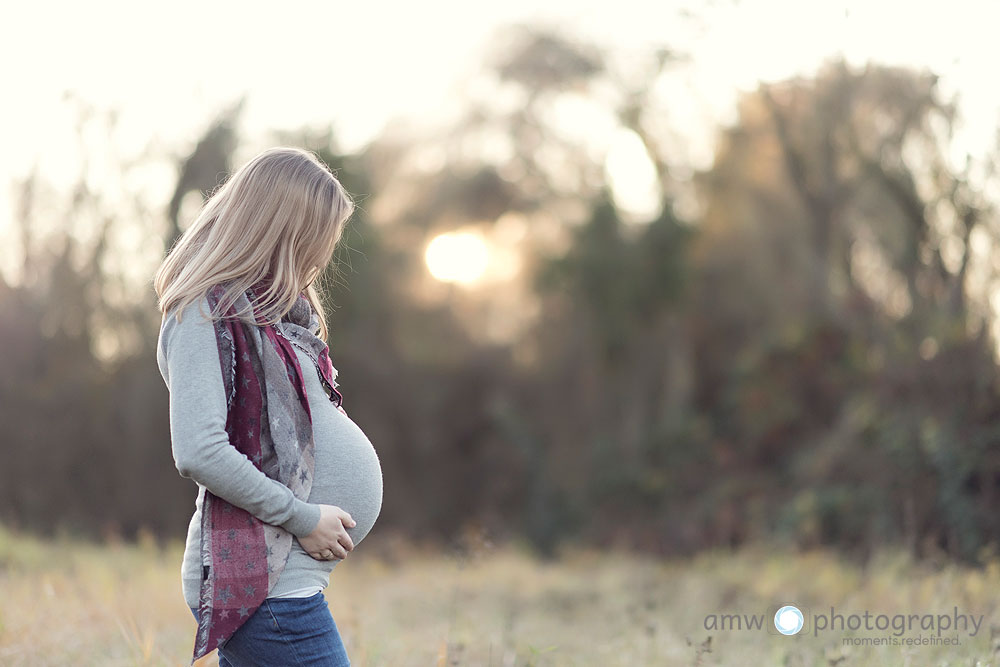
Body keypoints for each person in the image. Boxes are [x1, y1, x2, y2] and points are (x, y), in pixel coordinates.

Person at [153, 146, 383, 666]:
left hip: (283, 582)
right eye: (318, 238)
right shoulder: (202, 315)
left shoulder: (278, 325)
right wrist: (303, 518)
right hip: (263, 585)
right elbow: (199, 451)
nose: (323, 256)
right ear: (285, 230)